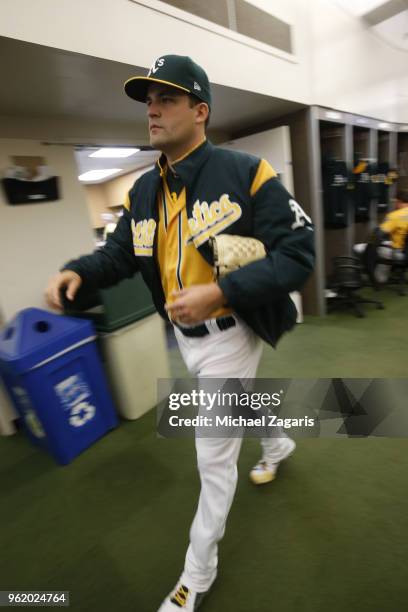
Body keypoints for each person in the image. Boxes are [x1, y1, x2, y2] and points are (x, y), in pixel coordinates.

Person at [45, 55, 315, 611]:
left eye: (166, 98)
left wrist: (221, 292)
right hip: (185, 339)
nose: (152, 108)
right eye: (149, 99)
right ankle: (280, 443)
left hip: (233, 328)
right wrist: (80, 268)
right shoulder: (144, 192)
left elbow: (298, 253)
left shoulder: (247, 173)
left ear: (200, 110)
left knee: (212, 458)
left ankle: (197, 576)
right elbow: (121, 253)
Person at [353, 190, 408, 284]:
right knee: (385, 243)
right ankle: (385, 272)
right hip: (405, 250)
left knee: (359, 248)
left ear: (399, 201)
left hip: (398, 252)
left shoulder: (395, 216)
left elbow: (378, 234)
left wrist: (370, 245)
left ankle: (371, 276)